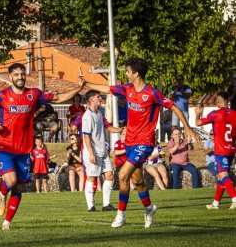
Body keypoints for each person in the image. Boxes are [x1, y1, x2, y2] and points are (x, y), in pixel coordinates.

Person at [84, 56, 201, 228]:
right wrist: (86, 83)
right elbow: (108, 89)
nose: (126, 73)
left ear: (136, 73)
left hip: (145, 142)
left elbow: (173, 106)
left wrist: (188, 127)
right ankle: (149, 208)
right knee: (138, 180)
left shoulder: (152, 93)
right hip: (130, 142)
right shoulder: (128, 89)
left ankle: (120, 215)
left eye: (128, 71)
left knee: (123, 175)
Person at [0, 62, 85, 230]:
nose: (20, 77)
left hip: (24, 148)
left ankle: (7, 222)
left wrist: (79, 87)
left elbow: (58, 98)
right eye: (16, 74)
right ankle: (1, 194)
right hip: (5, 146)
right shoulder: (2, 96)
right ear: (10, 77)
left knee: (19, 187)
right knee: (12, 180)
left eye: (22, 74)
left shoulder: (33, 94)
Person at [82, 90, 122, 212]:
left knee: (110, 175)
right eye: (98, 97)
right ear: (92, 99)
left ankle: (106, 205)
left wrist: (122, 130)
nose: (100, 98)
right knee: (92, 178)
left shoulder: (99, 113)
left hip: (103, 151)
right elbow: (86, 136)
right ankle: (91, 206)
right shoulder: (87, 116)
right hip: (93, 152)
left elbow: (108, 127)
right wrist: (91, 154)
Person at [195, 91, 236, 210]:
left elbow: (198, 123)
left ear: (218, 102)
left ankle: (234, 199)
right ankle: (215, 203)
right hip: (231, 149)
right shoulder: (234, 114)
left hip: (221, 149)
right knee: (220, 177)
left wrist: (198, 113)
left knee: (223, 174)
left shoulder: (216, 113)